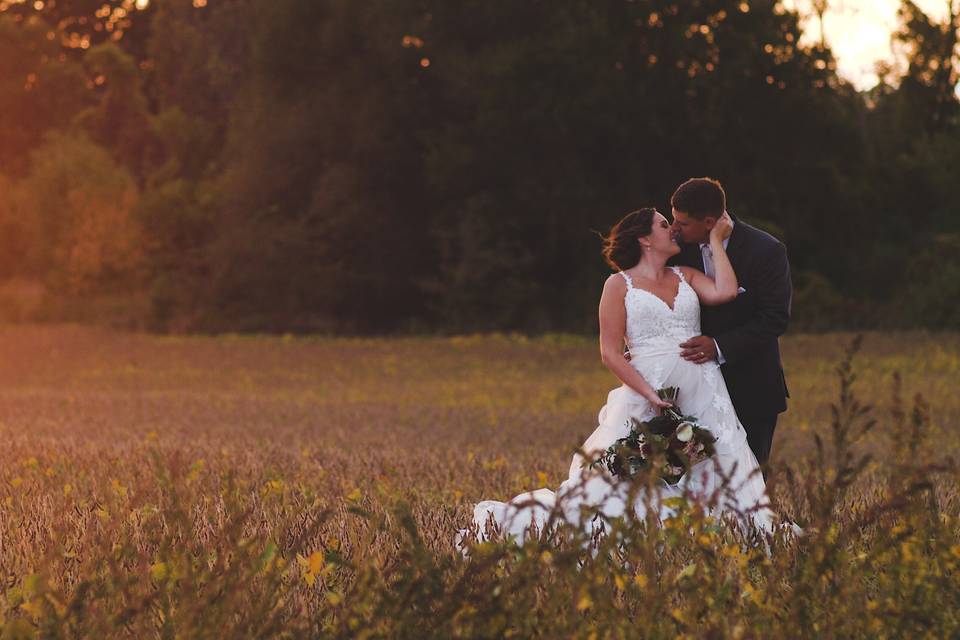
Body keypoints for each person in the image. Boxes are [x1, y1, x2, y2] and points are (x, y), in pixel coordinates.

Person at [457, 207, 782, 548]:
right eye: (663, 224)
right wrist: (650, 395)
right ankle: (644, 531)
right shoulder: (618, 285)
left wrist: (716, 239)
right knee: (638, 467)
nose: (671, 230)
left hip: (703, 386)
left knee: (713, 457)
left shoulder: (685, 274)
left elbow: (727, 292)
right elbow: (610, 353)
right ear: (644, 238)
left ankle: (714, 532)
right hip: (648, 389)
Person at [669, 177, 791, 470]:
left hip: (752, 384)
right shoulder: (675, 249)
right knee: (691, 477)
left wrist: (719, 346)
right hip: (692, 386)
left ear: (710, 222)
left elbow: (774, 317)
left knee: (750, 478)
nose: (674, 229)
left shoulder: (766, 251)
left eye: (683, 223)